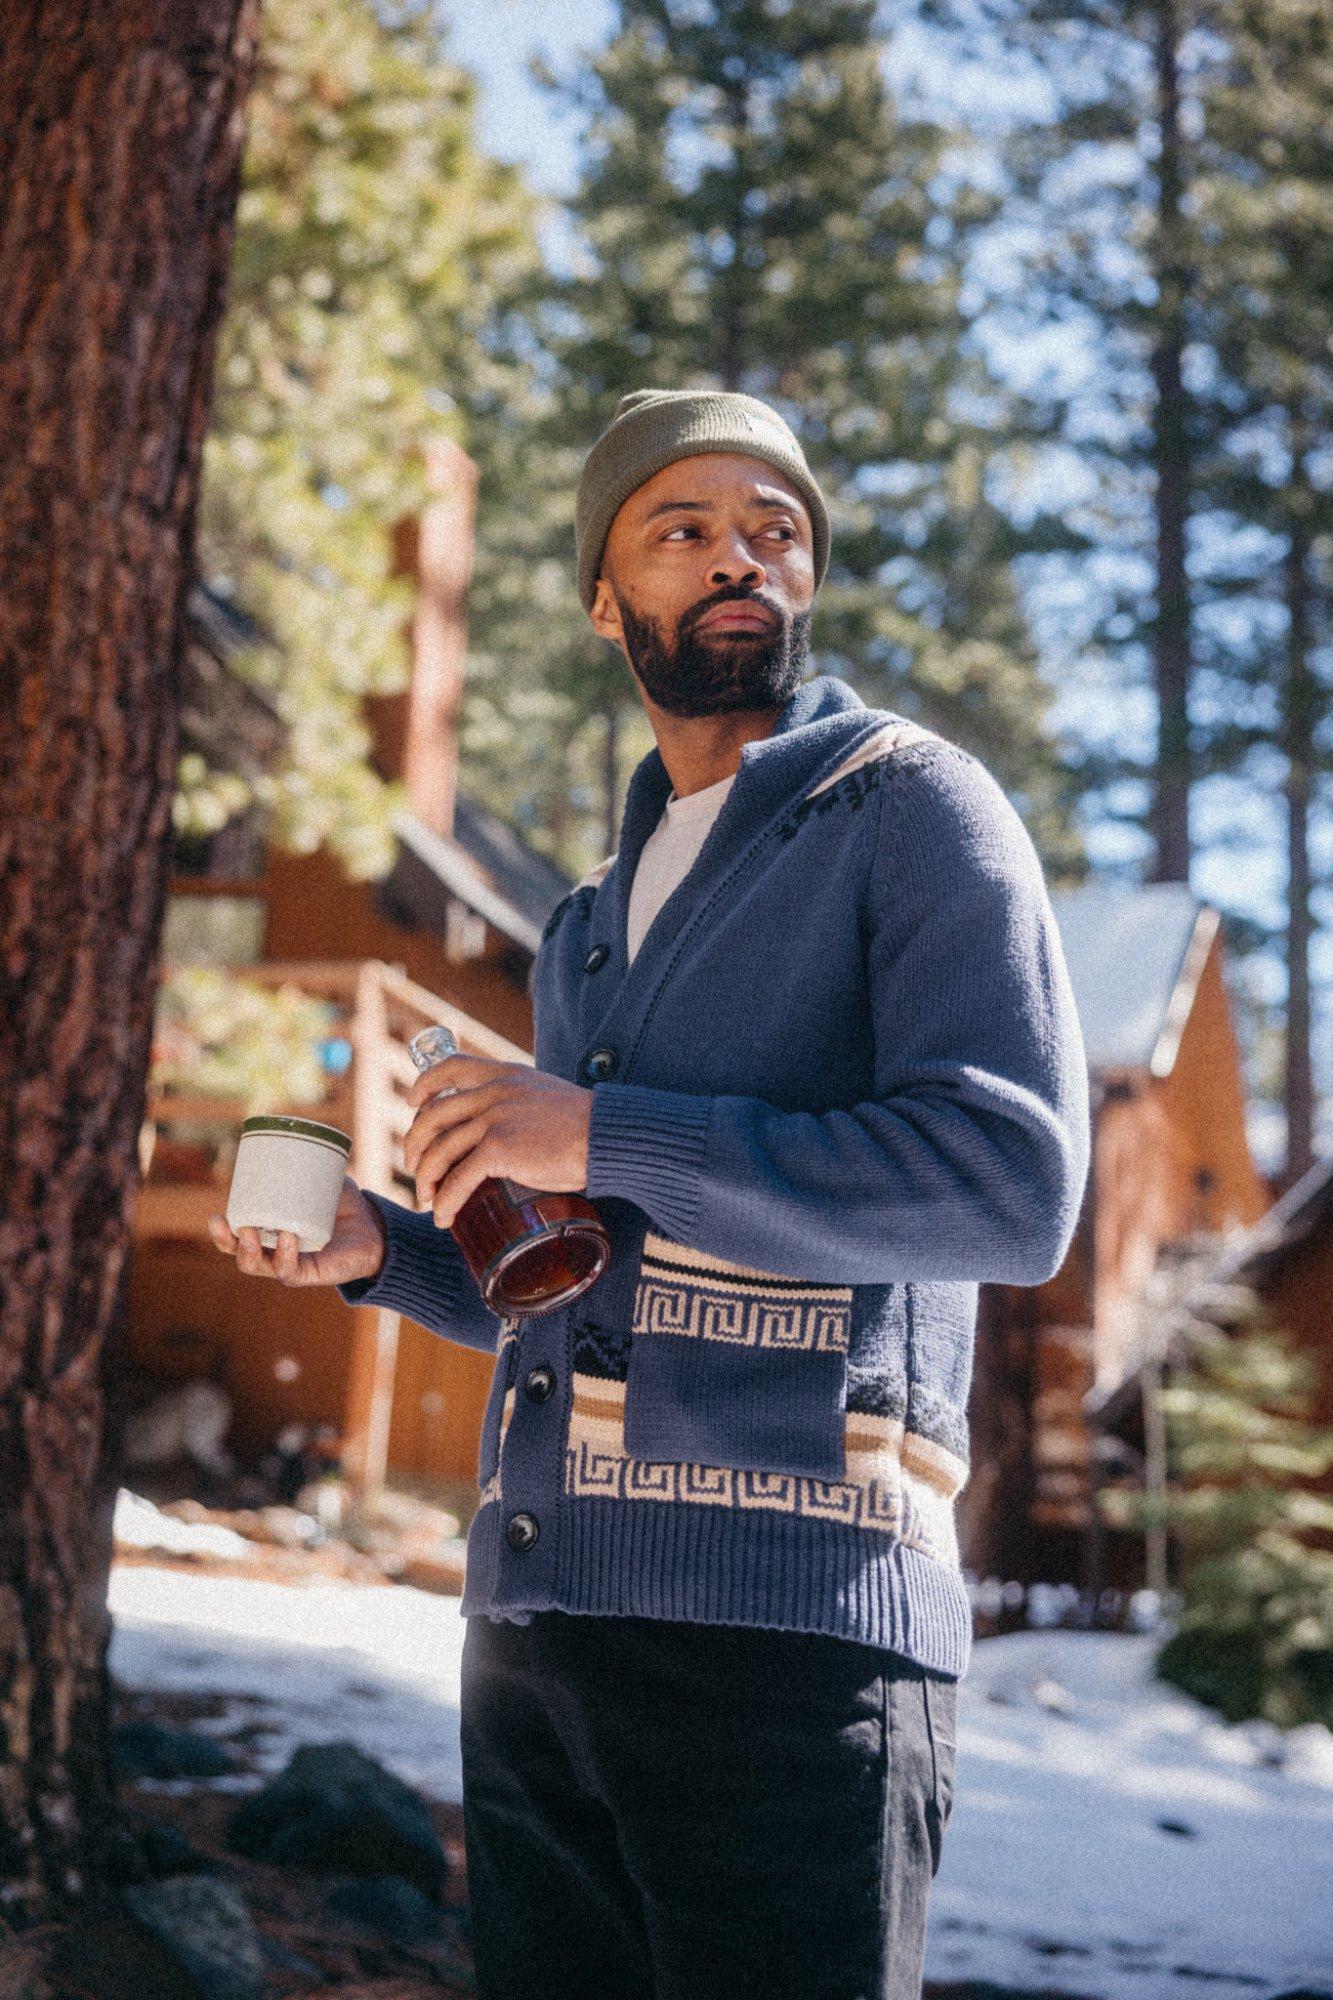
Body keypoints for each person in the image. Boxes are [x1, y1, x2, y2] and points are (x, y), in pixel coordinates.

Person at [209, 387, 1091, 2000]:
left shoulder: (906, 809)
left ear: (806, 577)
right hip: (538, 1636)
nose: (738, 556)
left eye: (772, 528)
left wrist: (597, 1137)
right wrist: (375, 1256)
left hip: (796, 1641)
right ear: (609, 601)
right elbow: (588, 1299)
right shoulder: (586, 922)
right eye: (681, 531)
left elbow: (1010, 1189)